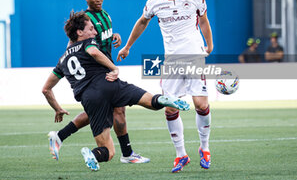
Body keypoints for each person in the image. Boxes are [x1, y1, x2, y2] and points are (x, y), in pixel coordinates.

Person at [42, 11, 190, 171]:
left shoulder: (62, 60)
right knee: (151, 102)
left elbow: (46, 89)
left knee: (108, 151)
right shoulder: (88, 43)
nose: (94, 32)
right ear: (80, 32)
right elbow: (93, 51)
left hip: (89, 97)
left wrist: (57, 108)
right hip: (108, 83)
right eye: (91, 28)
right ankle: (164, 99)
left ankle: (93, 154)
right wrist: (114, 68)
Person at [117, 0, 214, 172]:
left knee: (201, 105)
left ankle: (204, 148)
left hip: (195, 58)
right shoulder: (154, 1)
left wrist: (209, 43)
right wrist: (128, 46)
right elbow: (142, 21)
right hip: (171, 62)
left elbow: (204, 20)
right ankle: (181, 155)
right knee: (170, 107)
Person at [47, 0, 151, 164]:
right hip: (95, 71)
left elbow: (100, 37)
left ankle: (60, 136)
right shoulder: (85, 19)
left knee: (101, 110)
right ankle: (127, 154)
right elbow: (74, 44)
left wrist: (114, 36)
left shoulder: (105, 15)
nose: (98, 0)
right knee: (116, 108)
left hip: (105, 67)